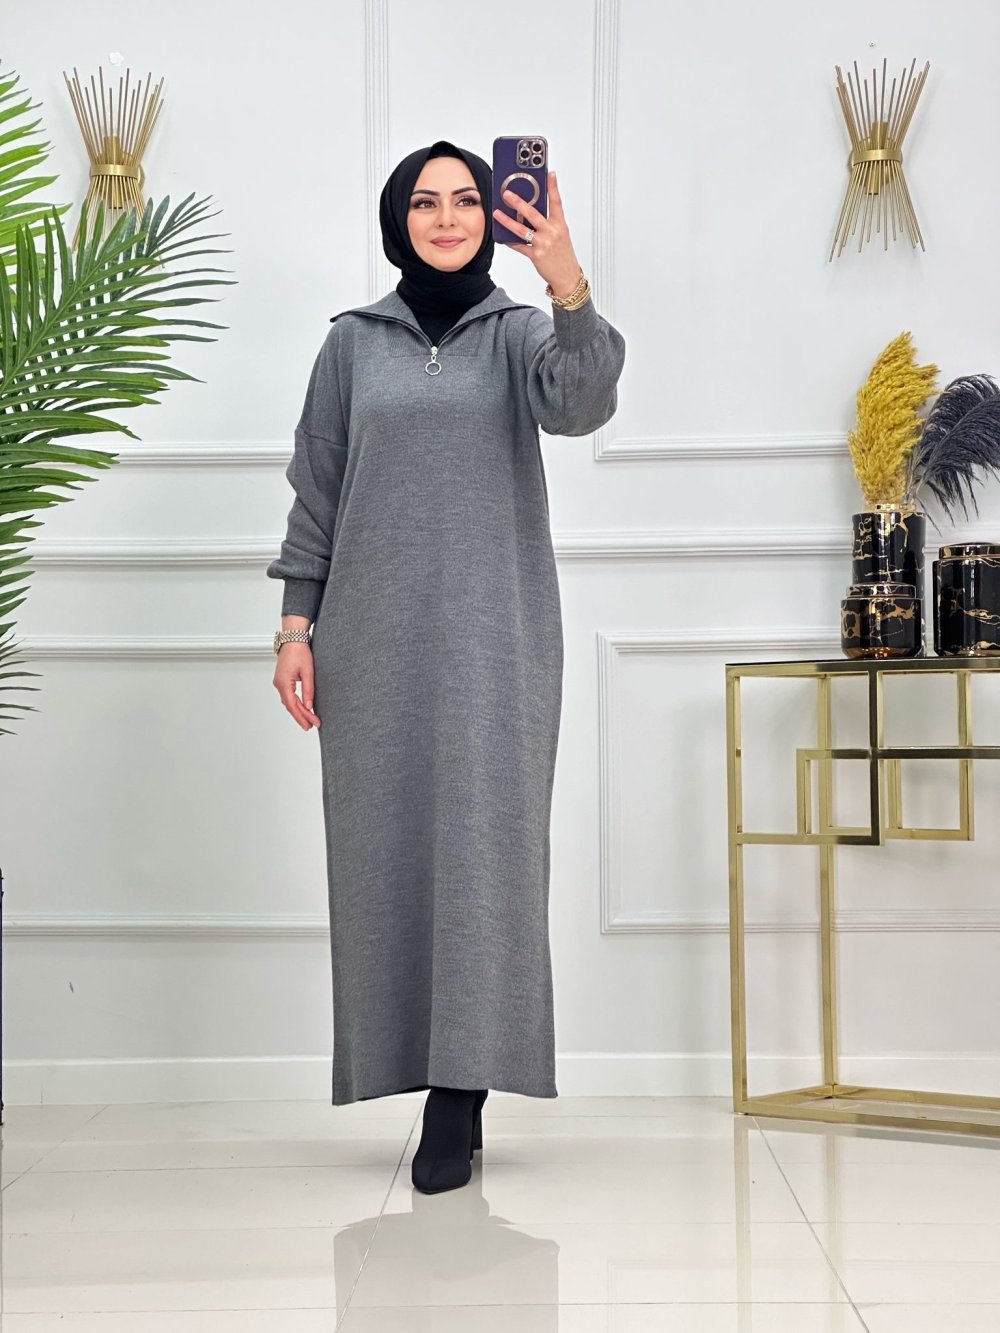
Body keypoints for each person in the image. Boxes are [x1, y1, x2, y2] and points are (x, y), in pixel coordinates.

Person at [266, 139, 626, 1194]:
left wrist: (566, 280)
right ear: (399, 220)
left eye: (467, 199)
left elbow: (581, 405)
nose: (448, 217)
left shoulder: (521, 334)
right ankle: (410, 1065)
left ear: (490, 218)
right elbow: (318, 488)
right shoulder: (351, 344)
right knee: (384, 854)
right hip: (368, 636)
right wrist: (295, 628)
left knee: (484, 853)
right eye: (425, 202)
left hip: (495, 634)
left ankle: (459, 1093)